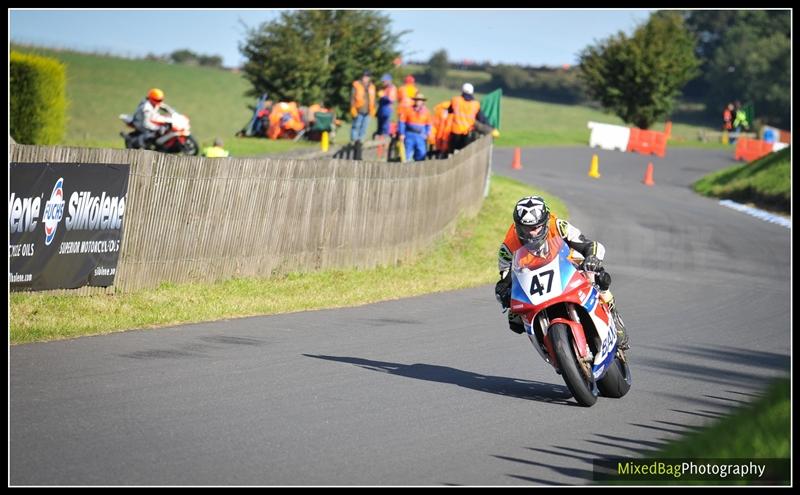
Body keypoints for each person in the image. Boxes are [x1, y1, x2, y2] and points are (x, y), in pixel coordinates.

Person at [493, 196, 629, 349]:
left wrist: (591, 258)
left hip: (567, 265)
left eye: (536, 227)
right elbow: (505, 279)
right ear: (517, 226)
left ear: (545, 222)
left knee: (597, 275)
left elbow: (587, 244)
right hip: (534, 283)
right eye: (526, 228)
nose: (532, 233)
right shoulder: (508, 247)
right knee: (514, 321)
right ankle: (547, 345)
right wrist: (504, 292)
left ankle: (613, 315)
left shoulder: (557, 225)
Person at [448, 83, 491, 153]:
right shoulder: (475, 104)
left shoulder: (455, 100)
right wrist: (490, 127)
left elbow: (449, 111)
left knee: (452, 153)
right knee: (464, 153)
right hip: (468, 133)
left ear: (462, 91)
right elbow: (481, 118)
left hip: (455, 132)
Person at [398, 93, 431, 162]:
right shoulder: (408, 110)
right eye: (416, 100)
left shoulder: (426, 112)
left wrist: (427, 134)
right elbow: (402, 122)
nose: (418, 101)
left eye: (420, 100)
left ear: (423, 101)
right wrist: (401, 133)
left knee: (421, 154)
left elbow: (428, 125)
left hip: (420, 136)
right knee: (407, 154)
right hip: (409, 134)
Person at [349, 70, 376, 144]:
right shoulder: (356, 85)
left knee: (364, 127)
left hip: (368, 111)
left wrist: (373, 109)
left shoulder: (372, 86)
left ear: (369, 78)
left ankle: (361, 141)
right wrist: (352, 108)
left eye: (367, 77)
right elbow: (352, 97)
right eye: (364, 77)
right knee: (356, 126)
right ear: (362, 77)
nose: (365, 78)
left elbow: (374, 99)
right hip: (358, 109)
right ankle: (354, 140)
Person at [375, 73, 398, 138]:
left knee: (385, 127)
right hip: (381, 109)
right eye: (382, 81)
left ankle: (384, 140)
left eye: (384, 81)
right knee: (379, 128)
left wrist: (383, 96)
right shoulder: (384, 88)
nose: (383, 82)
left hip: (387, 109)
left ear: (388, 81)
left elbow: (391, 100)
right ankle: (378, 142)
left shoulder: (392, 88)